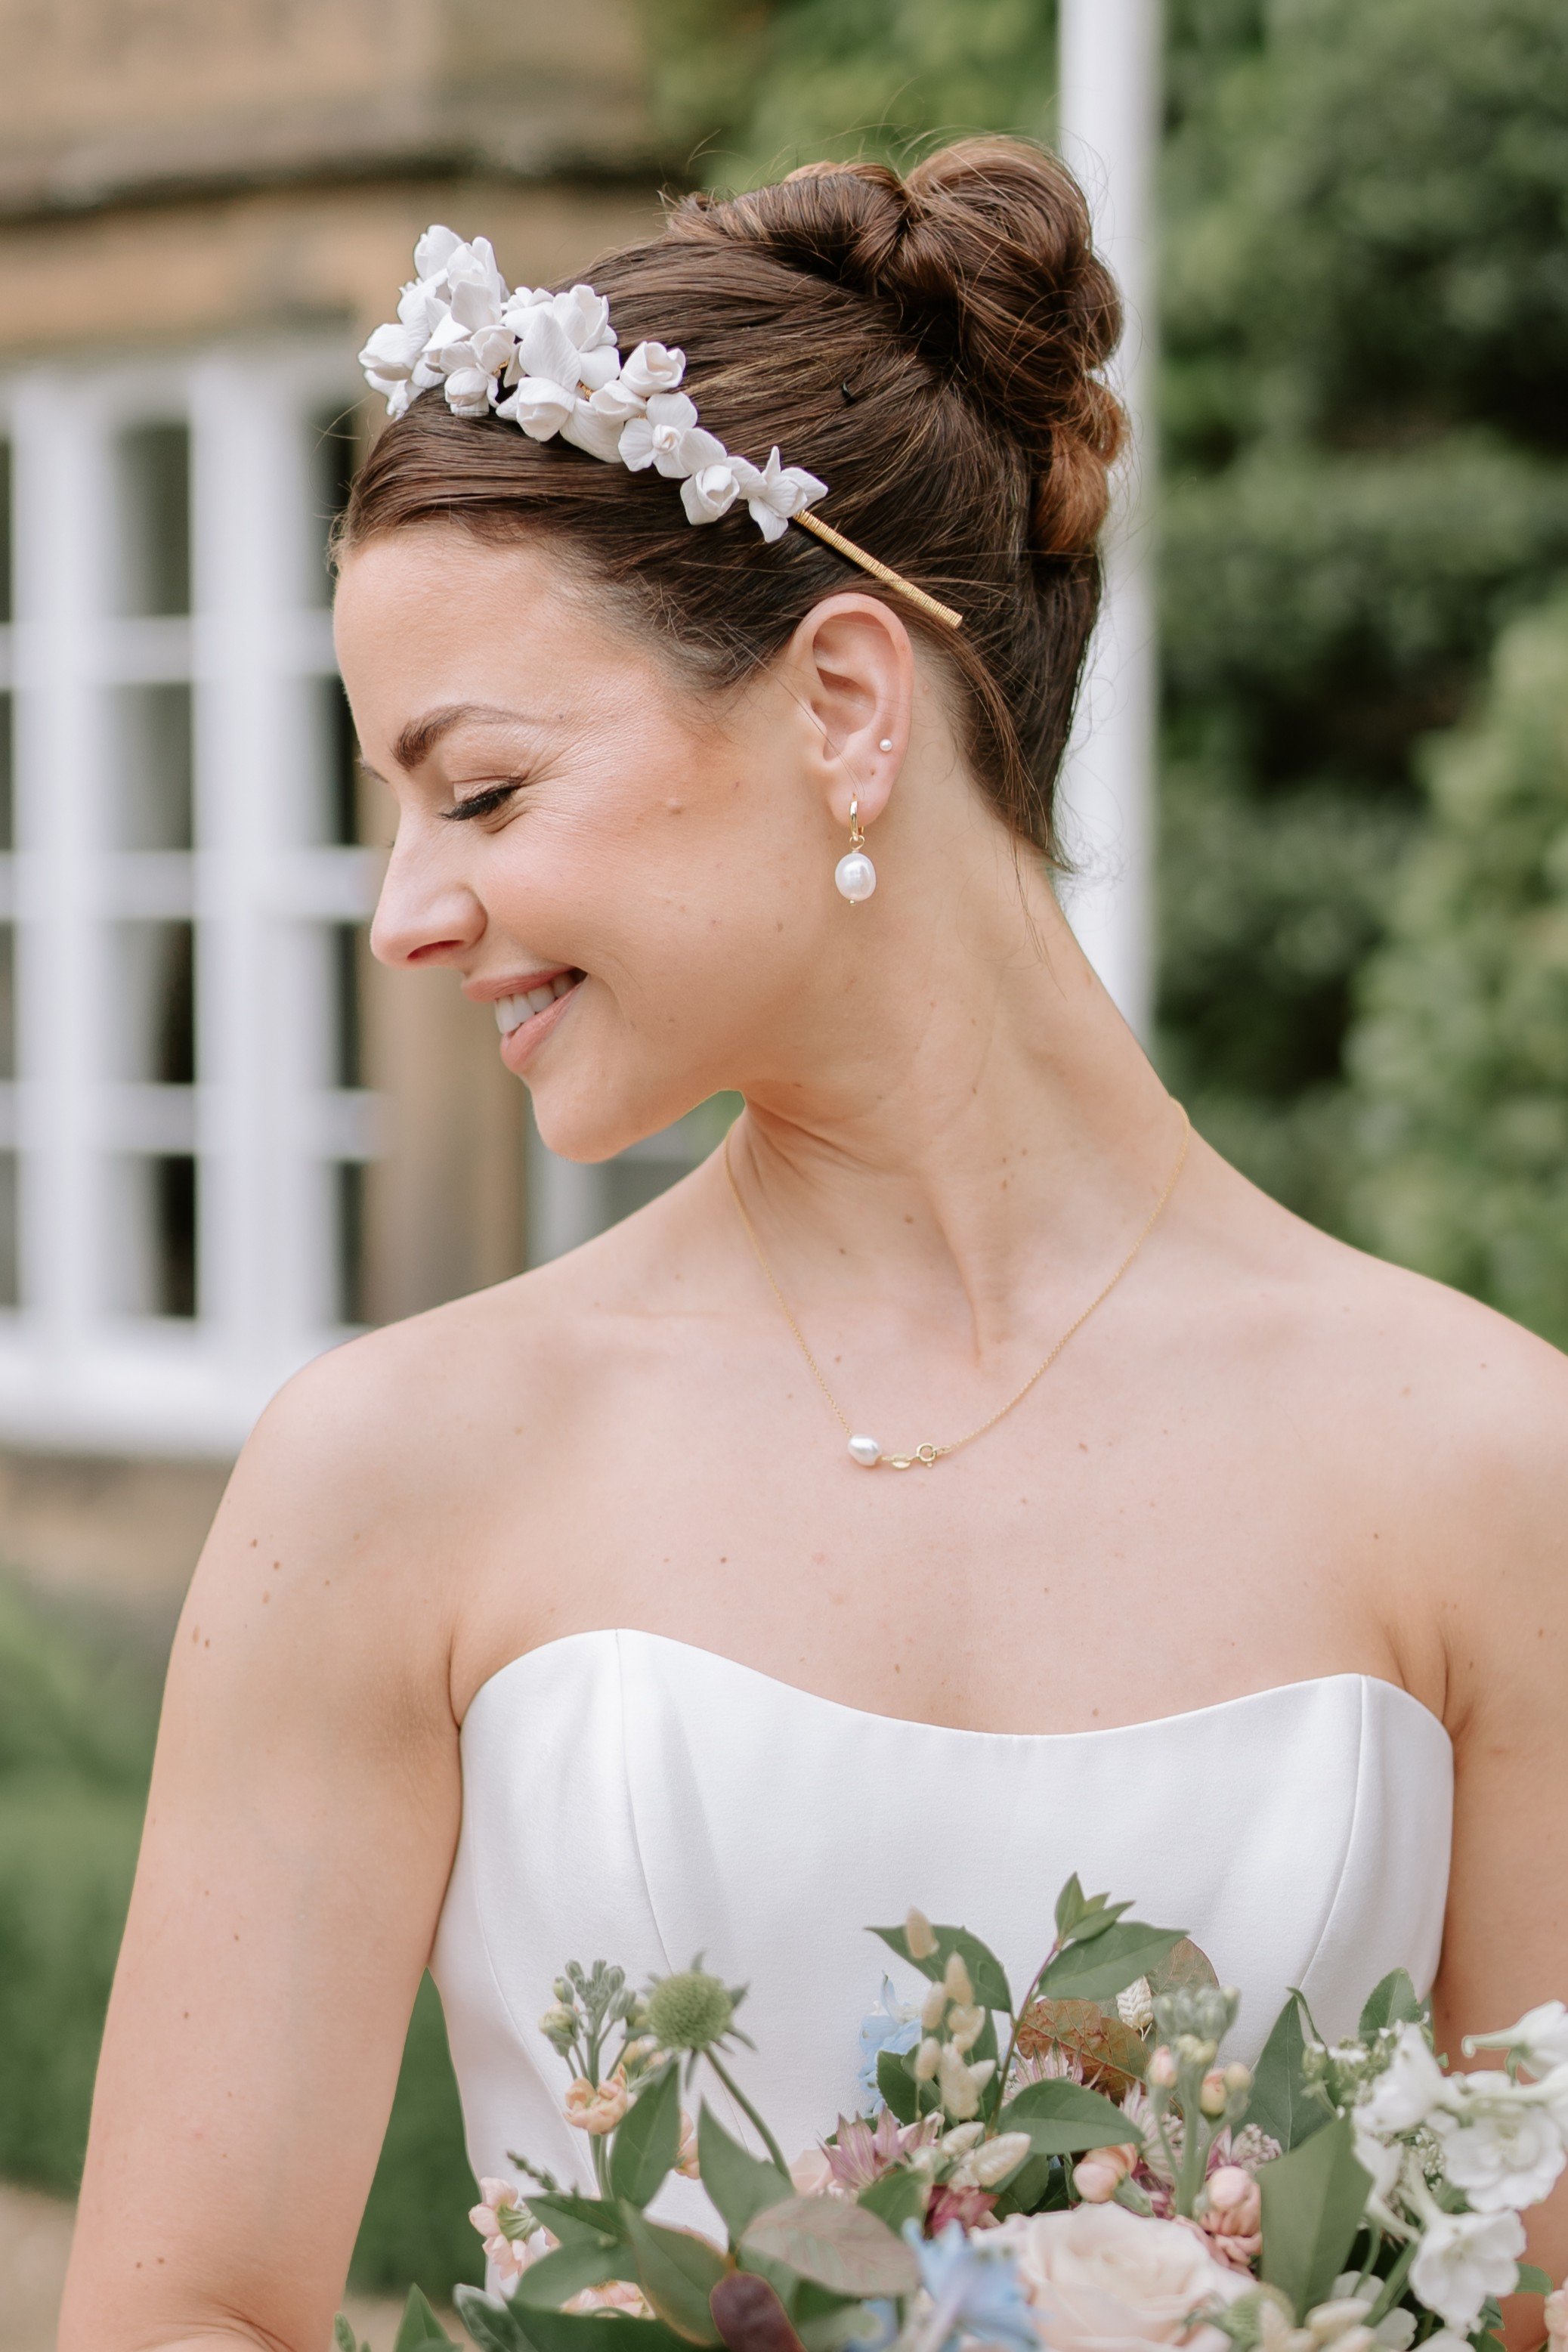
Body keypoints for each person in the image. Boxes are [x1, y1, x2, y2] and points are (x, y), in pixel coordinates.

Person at [61, 139, 1566, 2352]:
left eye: (479, 791)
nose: (404, 912)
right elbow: (178, 2311)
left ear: (846, 706)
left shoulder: (1483, 1463)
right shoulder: (392, 1469)